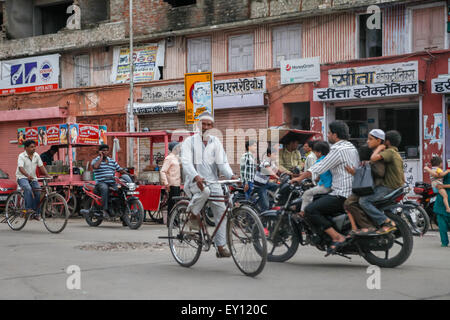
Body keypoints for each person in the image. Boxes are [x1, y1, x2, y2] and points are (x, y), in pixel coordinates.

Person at [291, 121, 359, 254]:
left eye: (329, 132)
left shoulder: (337, 149)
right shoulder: (351, 147)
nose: (327, 135)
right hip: (352, 190)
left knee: (310, 210)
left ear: (335, 134)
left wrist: (299, 178)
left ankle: (337, 237)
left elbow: (320, 167)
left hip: (341, 193)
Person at [180, 111, 239, 258]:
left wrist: (231, 175)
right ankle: (193, 213)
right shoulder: (189, 142)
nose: (206, 127)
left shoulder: (215, 142)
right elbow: (186, 163)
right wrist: (196, 176)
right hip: (194, 182)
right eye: (203, 124)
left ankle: (220, 247)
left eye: (209, 124)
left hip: (213, 182)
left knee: (222, 212)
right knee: (204, 192)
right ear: (198, 125)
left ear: (212, 126)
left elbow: (222, 163)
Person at [357, 130, 404, 234]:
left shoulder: (389, 152)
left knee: (363, 201)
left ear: (386, 141)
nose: (368, 141)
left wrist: (379, 148)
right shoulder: (396, 153)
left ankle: (386, 222)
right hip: (397, 186)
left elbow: (373, 158)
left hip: (389, 186)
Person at [344, 144, 385, 234]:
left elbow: (379, 173)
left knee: (349, 203)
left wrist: (369, 165)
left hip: (371, 189)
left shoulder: (372, 162)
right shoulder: (365, 163)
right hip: (367, 188)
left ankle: (367, 226)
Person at [293, 140, 332, 217]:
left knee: (307, 193)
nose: (315, 154)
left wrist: (297, 179)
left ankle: (302, 212)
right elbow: (322, 172)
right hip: (323, 183)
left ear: (319, 153)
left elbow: (310, 171)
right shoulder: (327, 159)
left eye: (315, 152)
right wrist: (317, 178)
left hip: (326, 186)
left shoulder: (320, 161)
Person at [15, 140, 51, 220]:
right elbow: (21, 168)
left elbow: (41, 166)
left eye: (34, 147)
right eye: (31, 147)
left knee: (38, 191)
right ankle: (28, 209)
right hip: (22, 177)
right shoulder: (21, 156)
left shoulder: (36, 155)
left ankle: (36, 213)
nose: (34, 148)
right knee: (28, 188)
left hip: (33, 178)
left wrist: (47, 175)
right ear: (26, 148)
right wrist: (27, 175)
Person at [92, 144, 130, 218]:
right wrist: (101, 157)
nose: (105, 152)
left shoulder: (112, 161)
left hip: (112, 182)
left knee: (121, 190)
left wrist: (129, 175)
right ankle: (104, 210)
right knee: (104, 188)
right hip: (101, 183)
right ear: (100, 152)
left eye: (106, 150)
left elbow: (120, 170)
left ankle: (121, 212)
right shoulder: (96, 160)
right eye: (103, 151)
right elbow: (95, 167)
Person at [160, 142, 181, 226]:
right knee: (172, 203)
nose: (179, 149)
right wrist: (166, 183)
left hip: (177, 183)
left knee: (176, 203)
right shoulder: (169, 158)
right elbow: (162, 171)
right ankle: (170, 222)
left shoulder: (177, 158)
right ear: (174, 148)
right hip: (171, 184)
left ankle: (174, 220)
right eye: (178, 147)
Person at [254, 147, 280, 212]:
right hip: (259, 185)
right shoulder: (266, 161)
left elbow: (278, 169)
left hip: (265, 183)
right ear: (269, 155)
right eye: (275, 154)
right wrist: (277, 177)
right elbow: (269, 171)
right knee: (265, 205)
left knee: (279, 187)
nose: (276, 156)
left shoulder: (272, 162)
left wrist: (289, 173)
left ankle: (273, 202)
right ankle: (263, 217)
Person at [432, 170, 450, 247]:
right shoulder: (446, 172)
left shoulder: (446, 172)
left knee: (442, 223)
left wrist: (443, 186)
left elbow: (436, 177)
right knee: (441, 222)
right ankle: (444, 242)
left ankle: (444, 242)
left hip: (442, 198)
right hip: (442, 200)